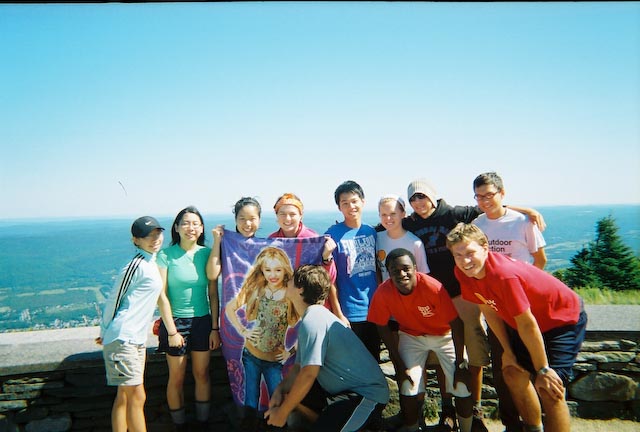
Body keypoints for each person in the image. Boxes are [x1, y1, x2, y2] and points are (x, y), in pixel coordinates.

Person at [402, 178, 545, 432]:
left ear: (433, 196)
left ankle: (475, 410)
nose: (418, 202)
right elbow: (388, 223)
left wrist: (526, 210)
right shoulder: (410, 222)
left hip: (463, 294)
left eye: (422, 196)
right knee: (441, 352)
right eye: (413, 198)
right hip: (433, 298)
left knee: (474, 350)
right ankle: (448, 411)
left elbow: (490, 207)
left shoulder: (454, 214)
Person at [447, 223, 587, 432]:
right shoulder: (464, 273)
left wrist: (543, 369)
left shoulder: (503, 275)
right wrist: (509, 352)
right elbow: (489, 310)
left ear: (485, 247)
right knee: (513, 372)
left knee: (550, 388)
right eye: (458, 255)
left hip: (561, 319)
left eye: (470, 253)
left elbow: (527, 324)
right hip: (526, 323)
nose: (465, 261)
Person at [265, 265, 389, 432]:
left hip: (365, 395)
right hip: (341, 394)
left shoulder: (314, 319)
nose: (287, 282)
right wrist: (280, 390)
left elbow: (309, 373)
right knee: (293, 395)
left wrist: (282, 413)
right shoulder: (312, 317)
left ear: (301, 289)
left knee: (295, 403)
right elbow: (298, 368)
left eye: (291, 280)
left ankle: (369, 424)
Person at [472, 172, 547, 432]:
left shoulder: (523, 222)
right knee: (503, 365)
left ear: (502, 193)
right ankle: (511, 424)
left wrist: (527, 288)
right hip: (495, 308)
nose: (484, 201)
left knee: (533, 364)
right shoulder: (477, 225)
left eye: (489, 195)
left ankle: (535, 422)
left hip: (524, 306)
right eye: (479, 196)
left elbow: (540, 260)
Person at [368, 248, 473, 432]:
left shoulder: (432, 287)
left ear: (415, 268)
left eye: (406, 268)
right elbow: (381, 326)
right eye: (395, 271)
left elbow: (456, 324)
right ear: (388, 273)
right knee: (408, 385)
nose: (402, 274)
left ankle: (466, 428)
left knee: (462, 385)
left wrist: (460, 363)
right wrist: (399, 364)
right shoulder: (384, 292)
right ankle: (413, 427)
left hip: (444, 335)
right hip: (412, 336)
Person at [97, 216, 166, 432]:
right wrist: (105, 331)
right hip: (123, 338)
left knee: (125, 396)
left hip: (135, 340)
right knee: (137, 395)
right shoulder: (135, 265)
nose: (154, 239)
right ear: (135, 240)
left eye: (157, 234)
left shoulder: (151, 262)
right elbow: (114, 299)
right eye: (148, 236)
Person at [156, 206, 219, 431]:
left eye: (195, 223)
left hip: (202, 321)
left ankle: (203, 424)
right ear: (176, 227)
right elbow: (161, 295)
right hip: (175, 322)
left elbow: (213, 293)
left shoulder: (207, 253)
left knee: (202, 374)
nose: (190, 227)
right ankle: (179, 426)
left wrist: (215, 328)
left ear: (201, 229)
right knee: (177, 377)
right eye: (185, 223)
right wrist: (172, 331)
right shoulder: (165, 255)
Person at [224, 246, 300, 421]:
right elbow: (230, 308)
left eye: (278, 270)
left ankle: (276, 426)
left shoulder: (291, 294)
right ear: (262, 271)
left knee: (277, 398)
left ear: (285, 270)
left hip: (274, 360)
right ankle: (250, 426)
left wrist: (291, 351)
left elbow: (307, 324)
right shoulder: (257, 290)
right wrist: (243, 330)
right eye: (268, 270)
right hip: (251, 355)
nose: (273, 275)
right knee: (251, 399)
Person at [268, 192, 344, 319]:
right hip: (282, 310)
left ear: (300, 216)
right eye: (282, 214)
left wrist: (327, 258)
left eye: (292, 214)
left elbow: (328, 280)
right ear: (276, 216)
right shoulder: (271, 241)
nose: (287, 219)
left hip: (311, 309)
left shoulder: (313, 239)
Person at [376, 194, 429, 280]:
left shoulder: (415, 243)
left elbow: (423, 276)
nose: (388, 218)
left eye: (393, 214)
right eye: (384, 214)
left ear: (403, 214)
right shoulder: (376, 239)